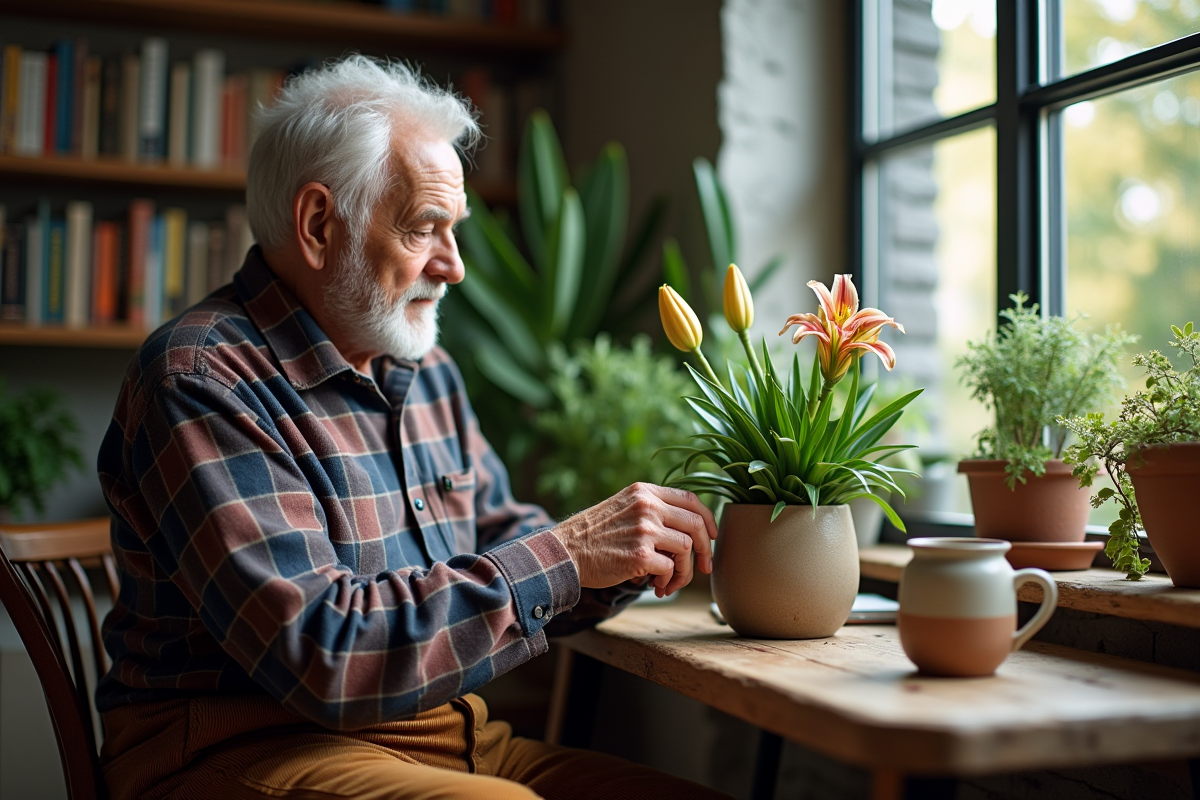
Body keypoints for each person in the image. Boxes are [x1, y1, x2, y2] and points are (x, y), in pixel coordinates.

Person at [95, 56, 729, 800]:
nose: (454, 267)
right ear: (319, 225)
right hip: (250, 748)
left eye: (453, 230)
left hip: (455, 740)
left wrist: (631, 552)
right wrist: (567, 554)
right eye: (426, 228)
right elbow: (325, 655)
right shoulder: (200, 379)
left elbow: (505, 538)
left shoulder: (425, 369)